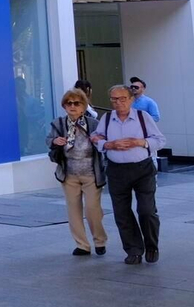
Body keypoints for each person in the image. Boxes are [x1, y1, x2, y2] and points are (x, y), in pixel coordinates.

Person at [92, 85, 166, 264]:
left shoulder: (143, 117)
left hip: (143, 169)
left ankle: (151, 246)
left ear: (131, 99)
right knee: (122, 212)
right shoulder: (107, 118)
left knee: (146, 210)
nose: (118, 103)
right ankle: (133, 250)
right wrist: (108, 145)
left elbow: (160, 140)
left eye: (123, 98)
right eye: (114, 99)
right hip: (117, 170)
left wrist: (141, 142)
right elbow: (96, 136)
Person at [48, 88, 108, 256]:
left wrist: (99, 140)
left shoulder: (93, 124)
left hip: (91, 173)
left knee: (92, 209)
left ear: (84, 106)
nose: (72, 107)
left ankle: (100, 240)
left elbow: (104, 141)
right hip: (69, 174)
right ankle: (82, 245)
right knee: (73, 210)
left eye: (77, 103)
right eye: (69, 103)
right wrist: (55, 140)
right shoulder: (59, 123)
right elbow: (48, 139)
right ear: (64, 106)